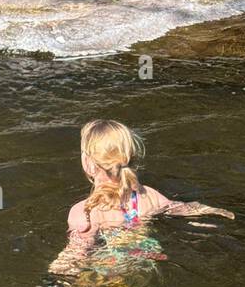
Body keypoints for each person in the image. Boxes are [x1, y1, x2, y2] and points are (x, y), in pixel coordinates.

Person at [48, 118, 234, 276]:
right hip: (146, 263)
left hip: (109, 270)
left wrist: (54, 279)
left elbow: (76, 252)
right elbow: (180, 208)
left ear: (88, 164)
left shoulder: (86, 211)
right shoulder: (147, 196)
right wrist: (215, 212)